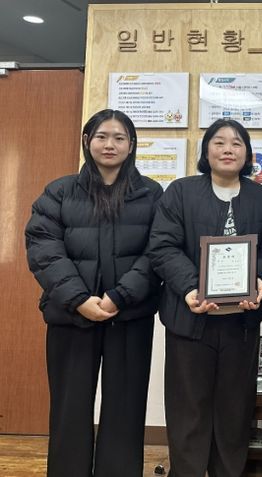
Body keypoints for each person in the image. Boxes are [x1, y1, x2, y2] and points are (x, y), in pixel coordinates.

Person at [25, 109, 162, 477]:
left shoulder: (151, 193)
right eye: (101, 136)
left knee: (125, 408)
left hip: (129, 316)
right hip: (71, 317)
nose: (109, 144)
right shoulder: (59, 191)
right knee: (69, 408)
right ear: (87, 141)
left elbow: (158, 251)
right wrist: (78, 300)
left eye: (119, 137)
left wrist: (120, 295)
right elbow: (43, 248)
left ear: (131, 145)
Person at [148, 118, 262, 477]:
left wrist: (258, 279)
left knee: (234, 409)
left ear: (248, 153)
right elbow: (163, 246)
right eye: (219, 142)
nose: (228, 149)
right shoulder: (181, 192)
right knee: (188, 408)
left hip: (242, 323)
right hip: (190, 319)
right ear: (206, 151)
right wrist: (192, 288)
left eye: (237, 143)